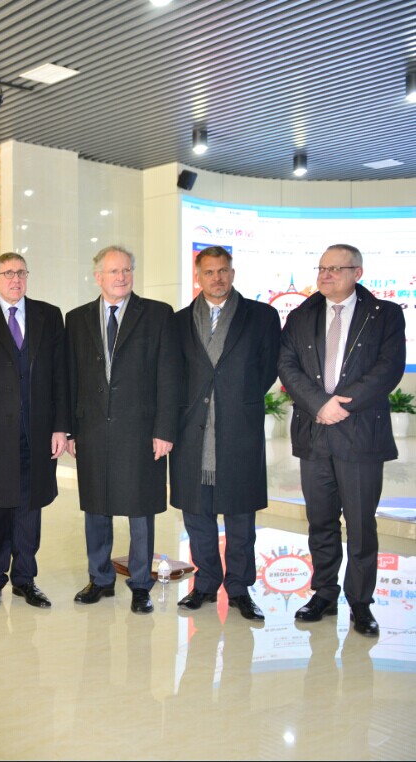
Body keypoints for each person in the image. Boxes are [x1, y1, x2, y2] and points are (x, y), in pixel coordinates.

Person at [278, 244, 405, 637]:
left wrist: (340, 405)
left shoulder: (384, 314)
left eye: (335, 268)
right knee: (320, 521)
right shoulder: (301, 315)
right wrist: (320, 403)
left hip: (360, 434)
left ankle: (361, 603)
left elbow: (388, 369)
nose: (326, 275)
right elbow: (287, 364)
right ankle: (324, 594)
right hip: (314, 431)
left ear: (357, 273)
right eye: (322, 268)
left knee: (361, 525)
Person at [66, 245, 180, 614]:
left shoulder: (158, 314)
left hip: (141, 430)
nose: (121, 277)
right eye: (114, 271)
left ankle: (141, 584)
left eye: (127, 270)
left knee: (140, 508)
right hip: (92, 429)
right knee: (96, 507)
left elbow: (169, 376)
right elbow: (70, 378)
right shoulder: (77, 319)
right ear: (97, 277)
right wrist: (69, 430)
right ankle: (100, 579)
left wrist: (165, 429)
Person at [168, 246, 280, 621]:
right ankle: (204, 584)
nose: (217, 278)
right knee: (197, 514)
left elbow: (268, 367)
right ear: (198, 276)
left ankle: (239, 588)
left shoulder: (261, 316)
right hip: (192, 431)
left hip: (239, 428)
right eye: (209, 272)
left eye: (223, 270)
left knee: (240, 515)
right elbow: (175, 374)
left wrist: (237, 398)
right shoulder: (180, 322)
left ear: (232, 273)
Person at [0, 252, 69, 610]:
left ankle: (25, 579)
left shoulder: (49, 316)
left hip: (37, 431)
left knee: (29, 507)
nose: (15, 279)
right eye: (7, 273)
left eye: (20, 272)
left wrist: (61, 428)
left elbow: (60, 377)